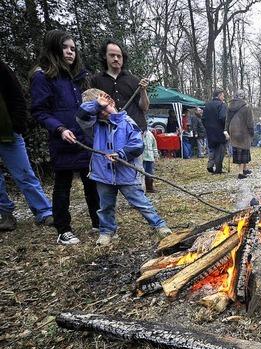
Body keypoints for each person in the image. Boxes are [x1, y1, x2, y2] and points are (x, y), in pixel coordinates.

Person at [30, 29, 100, 245]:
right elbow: (40, 111)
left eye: (73, 48)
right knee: (63, 185)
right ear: (53, 49)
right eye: (65, 48)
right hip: (63, 139)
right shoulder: (43, 76)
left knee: (92, 182)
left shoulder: (77, 78)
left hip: (83, 139)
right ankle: (63, 228)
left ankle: (98, 221)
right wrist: (59, 129)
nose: (70, 52)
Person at [76, 89, 171, 246]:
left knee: (141, 202)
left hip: (126, 174)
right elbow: (81, 116)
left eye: (102, 108)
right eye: (96, 110)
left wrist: (120, 154)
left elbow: (137, 145)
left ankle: (159, 225)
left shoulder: (127, 122)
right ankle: (106, 231)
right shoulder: (94, 126)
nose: (99, 113)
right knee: (105, 206)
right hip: (103, 174)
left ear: (111, 102)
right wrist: (96, 105)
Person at [0, 60, 53, 231]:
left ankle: (44, 212)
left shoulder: (1, 68)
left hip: (8, 131)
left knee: (24, 173)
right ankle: (5, 214)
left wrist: (17, 125)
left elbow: (17, 96)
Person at [90, 39, 149, 131]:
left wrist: (143, 90)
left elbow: (144, 107)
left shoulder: (134, 80)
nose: (116, 59)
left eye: (119, 56)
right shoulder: (95, 80)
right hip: (109, 131)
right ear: (105, 56)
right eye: (112, 55)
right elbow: (91, 107)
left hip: (135, 131)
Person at [226, 89, 254, 179]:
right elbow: (250, 122)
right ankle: (241, 173)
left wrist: (226, 131)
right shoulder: (247, 107)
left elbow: (227, 120)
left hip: (233, 131)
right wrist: (252, 131)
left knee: (239, 151)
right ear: (243, 96)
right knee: (243, 151)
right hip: (243, 132)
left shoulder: (230, 106)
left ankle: (244, 169)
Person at [203, 89, 227, 174]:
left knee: (212, 149)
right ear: (219, 95)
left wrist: (208, 127)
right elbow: (223, 118)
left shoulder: (207, 105)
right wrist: (226, 128)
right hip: (220, 131)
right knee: (220, 151)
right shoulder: (221, 105)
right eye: (223, 96)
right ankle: (218, 169)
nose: (224, 97)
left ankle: (210, 164)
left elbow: (203, 119)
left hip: (209, 131)